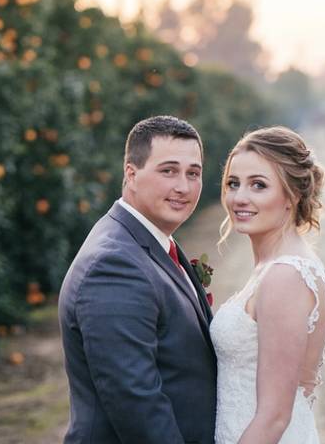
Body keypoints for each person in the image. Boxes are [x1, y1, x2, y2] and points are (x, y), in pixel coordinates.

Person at [58, 115, 216, 443]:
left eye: (193, 173)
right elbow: (137, 404)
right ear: (131, 174)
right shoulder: (114, 266)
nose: (183, 187)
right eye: (168, 171)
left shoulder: (151, 241)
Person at [211, 126, 325, 444]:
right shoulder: (278, 267)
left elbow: (274, 418)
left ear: (291, 196)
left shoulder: (285, 276)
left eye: (259, 185)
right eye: (233, 184)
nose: (240, 198)